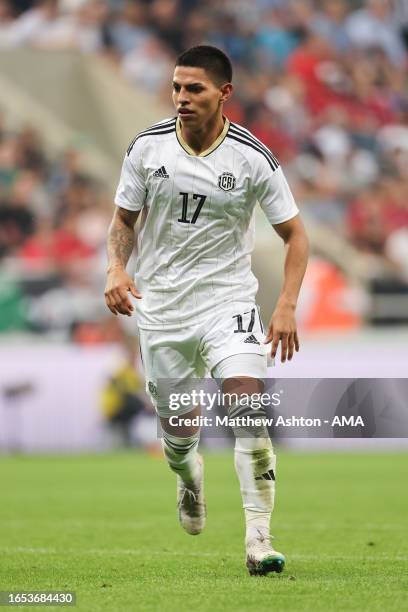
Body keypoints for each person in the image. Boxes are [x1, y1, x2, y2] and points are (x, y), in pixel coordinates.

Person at [104, 45, 309, 576]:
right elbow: (124, 220)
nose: (181, 98)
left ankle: (259, 540)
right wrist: (116, 270)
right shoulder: (147, 148)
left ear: (224, 94)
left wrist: (285, 304)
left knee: (248, 413)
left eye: (193, 89)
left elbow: (296, 235)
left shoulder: (252, 157)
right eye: (176, 87)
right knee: (178, 436)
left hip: (227, 302)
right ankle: (188, 475)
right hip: (163, 307)